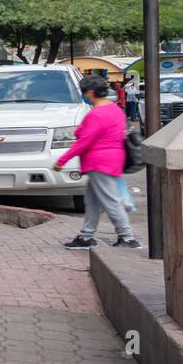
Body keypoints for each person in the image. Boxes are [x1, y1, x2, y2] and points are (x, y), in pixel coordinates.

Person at [56, 75, 140, 250]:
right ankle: (86, 237)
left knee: (110, 201)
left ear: (91, 93)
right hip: (111, 161)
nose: (83, 94)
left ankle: (127, 238)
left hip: (99, 163)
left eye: (84, 91)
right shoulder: (115, 110)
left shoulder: (96, 114)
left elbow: (84, 141)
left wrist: (62, 160)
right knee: (93, 202)